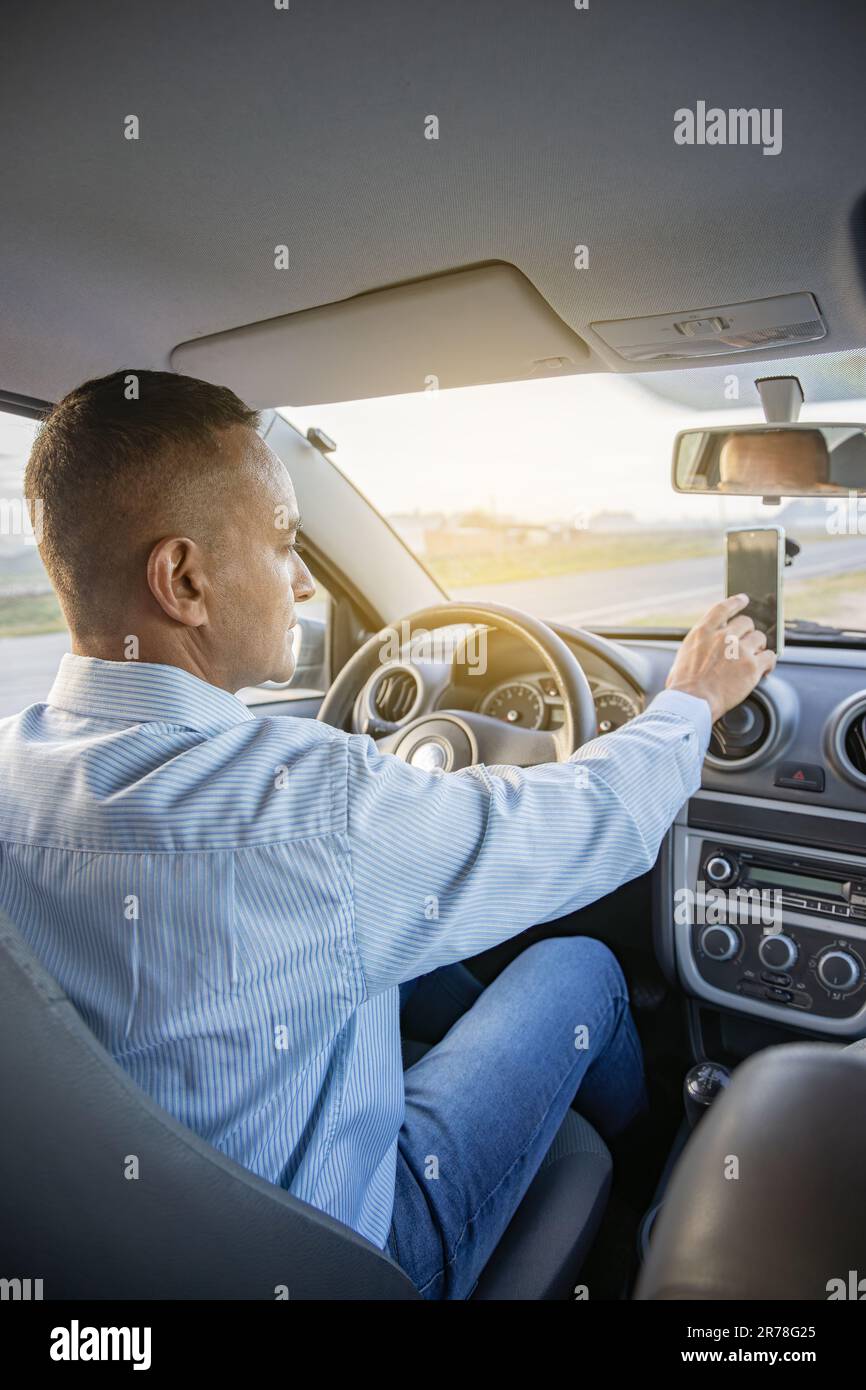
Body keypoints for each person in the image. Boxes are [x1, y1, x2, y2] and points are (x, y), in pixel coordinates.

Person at [0, 370, 774, 1298]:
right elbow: (593, 819)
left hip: (122, 1257)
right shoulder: (307, 804)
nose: (300, 579)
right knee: (583, 971)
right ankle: (658, 1186)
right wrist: (691, 702)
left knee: (424, 970)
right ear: (184, 580)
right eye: (285, 543)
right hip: (350, 1256)